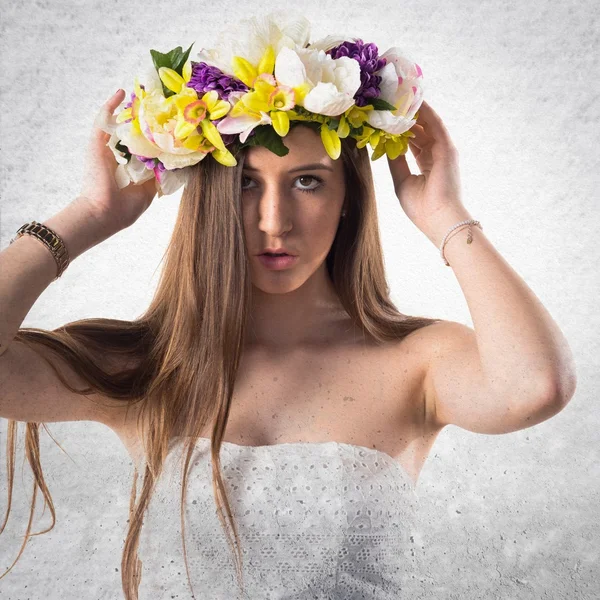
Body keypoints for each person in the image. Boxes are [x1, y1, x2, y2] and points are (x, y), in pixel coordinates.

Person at [0, 14, 577, 600]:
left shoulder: (416, 361)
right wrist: (87, 216)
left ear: (349, 199)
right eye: (245, 183)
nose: (273, 222)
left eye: (307, 182)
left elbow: (535, 387)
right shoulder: (145, 366)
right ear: (206, 200)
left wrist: (445, 215)